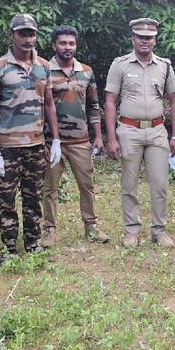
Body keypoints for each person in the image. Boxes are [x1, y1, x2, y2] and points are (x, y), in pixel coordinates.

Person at [0, 13, 61, 261]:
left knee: (32, 199)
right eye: (23, 33)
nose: (28, 39)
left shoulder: (44, 67)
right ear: (12, 35)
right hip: (8, 147)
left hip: (36, 146)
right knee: (6, 201)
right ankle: (9, 250)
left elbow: (49, 104)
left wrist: (55, 139)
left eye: (32, 33)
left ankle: (33, 245)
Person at [104, 18, 175, 248]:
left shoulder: (165, 66)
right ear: (133, 39)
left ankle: (159, 231)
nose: (144, 41)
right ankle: (132, 231)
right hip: (129, 130)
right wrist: (111, 138)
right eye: (140, 37)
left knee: (160, 184)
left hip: (157, 131)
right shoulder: (120, 65)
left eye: (149, 38)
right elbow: (110, 101)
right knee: (129, 183)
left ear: (155, 40)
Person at [41, 25, 109, 247]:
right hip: (53, 142)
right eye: (63, 43)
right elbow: (39, 107)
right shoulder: (43, 70)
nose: (67, 47)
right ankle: (49, 230)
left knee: (86, 185)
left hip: (80, 140)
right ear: (54, 45)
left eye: (71, 43)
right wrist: (42, 141)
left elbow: (93, 106)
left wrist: (98, 136)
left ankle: (91, 226)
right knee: (50, 188)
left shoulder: (86, 72)